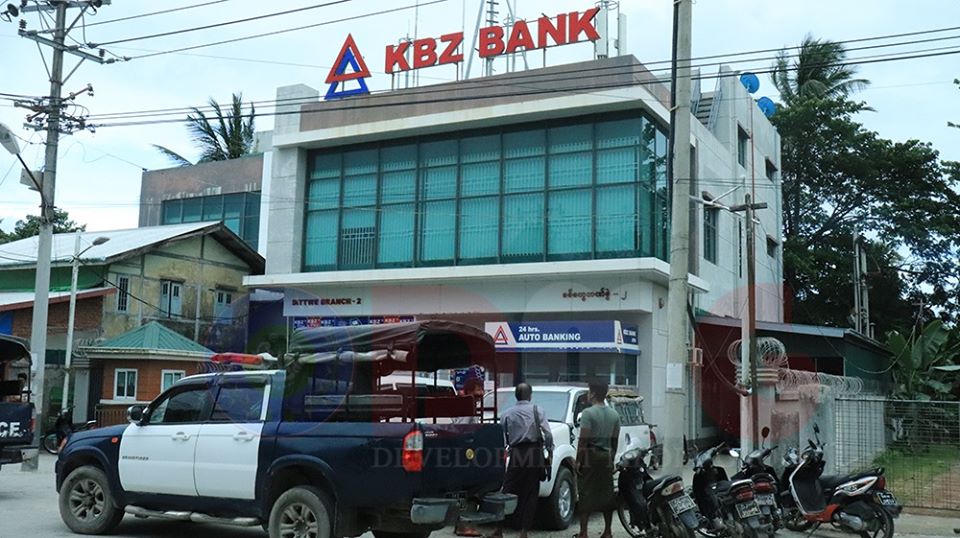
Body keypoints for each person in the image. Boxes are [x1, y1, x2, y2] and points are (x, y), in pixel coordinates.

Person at [492, 383, 554, 538]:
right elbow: (548, 434)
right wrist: (550, 452)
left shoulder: (506, 414)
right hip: (534, 453)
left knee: (507, 490)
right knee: (531, 493)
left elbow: (502, 436)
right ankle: (524, 532)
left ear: (516, 396)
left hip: (516, 453)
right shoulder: (537, 410)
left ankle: (499, 529)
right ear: (530, 395)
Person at [574, 380, 620, 538]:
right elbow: (615, 440)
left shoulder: (588, 413)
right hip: (606, 456)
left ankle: (583, 532)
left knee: (585, 492)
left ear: (593, 393)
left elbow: (583, 440)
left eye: (589, 391)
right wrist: (611, 458)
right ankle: (608, 531)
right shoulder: (614, 415)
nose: (588, 394)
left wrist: (578, 461)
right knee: (607, 493)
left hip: (590, 455)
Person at [454, 376, 488, 537]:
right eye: (477, 390)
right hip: (464, 453)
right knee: (468, 490)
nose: (481, 393)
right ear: (469, 392)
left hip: (467, 452)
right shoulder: (466, 407)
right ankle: (464, 525)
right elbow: (461, 429)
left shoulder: (471, 406)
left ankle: (461, 524)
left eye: (481, 389)